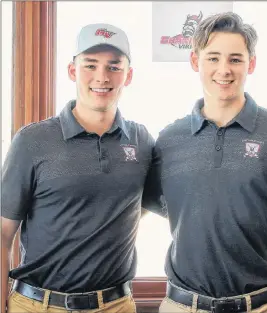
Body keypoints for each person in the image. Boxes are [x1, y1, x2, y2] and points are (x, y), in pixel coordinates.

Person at [156, 12, 267, 313]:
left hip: (260, 306)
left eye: (235, 59)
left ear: (251, 64)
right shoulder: (168, 140)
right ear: (194, 62)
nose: (224, 70)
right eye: (213, 58)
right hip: (182, 306)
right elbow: (138, 209)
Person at [1, 23, 163, 313]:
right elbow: (2, 232)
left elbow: (149, 203)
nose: (102, 76)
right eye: (91, 65)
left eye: (114, 66)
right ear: (73, 71)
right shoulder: (32, 140)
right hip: (37, 306)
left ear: (128, 75)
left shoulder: (141, 141)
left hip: (116, 305)